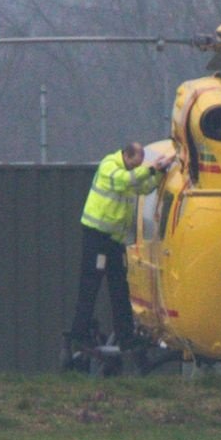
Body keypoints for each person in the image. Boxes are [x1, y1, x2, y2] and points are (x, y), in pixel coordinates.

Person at [62, 142, 174, 369]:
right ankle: (79, 332)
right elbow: (126, 181)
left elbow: (144, 187)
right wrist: (153, 168)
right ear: (127, 156)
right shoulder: (110, 166)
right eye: (136, 162)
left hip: (114, 240)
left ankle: (126, 334)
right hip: (97, 237)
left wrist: (160, 173)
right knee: (90, 285)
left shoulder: (131, 172)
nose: (138, 167)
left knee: (120, 288)